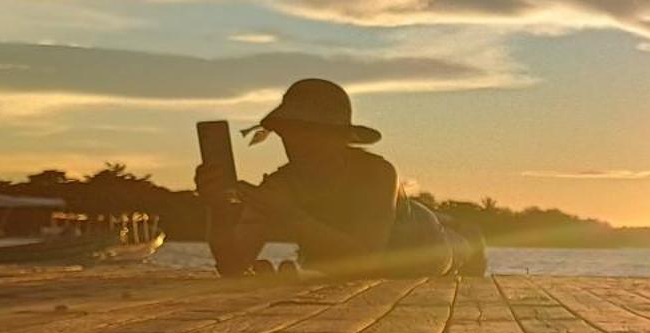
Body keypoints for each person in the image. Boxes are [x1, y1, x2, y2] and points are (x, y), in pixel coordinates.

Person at [195, 78, 471, 278]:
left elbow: (366, 259)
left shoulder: (377, 173)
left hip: (426, 247)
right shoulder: (281, 186)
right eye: (292, 132)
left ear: (340, 137)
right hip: (336, 267)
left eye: (312, 132)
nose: (299, 142)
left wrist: (289, 216)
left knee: (465, 244)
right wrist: (217, 207)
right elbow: (232, 265)